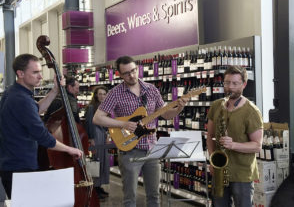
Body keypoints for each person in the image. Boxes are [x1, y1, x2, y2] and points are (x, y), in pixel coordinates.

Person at [92, 56, 189, 207]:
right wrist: (123, 124)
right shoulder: (115, 93)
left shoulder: (151, 90)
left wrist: (180, 107)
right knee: (130, 198)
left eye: (133, 71)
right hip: (129, 150)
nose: (131, 75)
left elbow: (165, 114)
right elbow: (97, 118)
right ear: (119, 74)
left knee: (154, 196)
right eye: (126, 73)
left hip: (152, 149)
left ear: (137, 69)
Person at [0, 54, 83, 199]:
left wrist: (55, 90)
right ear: (20, 73)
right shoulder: (21, 100)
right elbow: (44, 137)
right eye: (35, 72)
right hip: (20, 167)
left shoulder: (14, 92)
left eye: (40, 71)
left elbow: (36, 109)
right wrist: (70, 149)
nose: (40, 76)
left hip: (12, 164)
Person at [206, 65, 263, 207]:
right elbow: (210, 136)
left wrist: (233, 145)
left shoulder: (252, 111)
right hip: (220, 170)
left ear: (244, 84)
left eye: (235, 83)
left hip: (242, 175)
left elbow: (257, 146)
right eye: (227, 83)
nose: (229, 87)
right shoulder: (216, 106)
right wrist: (212, 158)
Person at [84, 85, 110, 200]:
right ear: (95, 95)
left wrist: (108, 134)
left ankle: (99, 186)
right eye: (100, 94)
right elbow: (89, 122)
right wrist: (91, 138)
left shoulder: (106, 107)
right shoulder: (91, 107)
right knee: (96, 161)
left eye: (104, 94)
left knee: (103, 161)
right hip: (96, 134)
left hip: (103, 135)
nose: (102, 96)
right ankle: (94, 188)